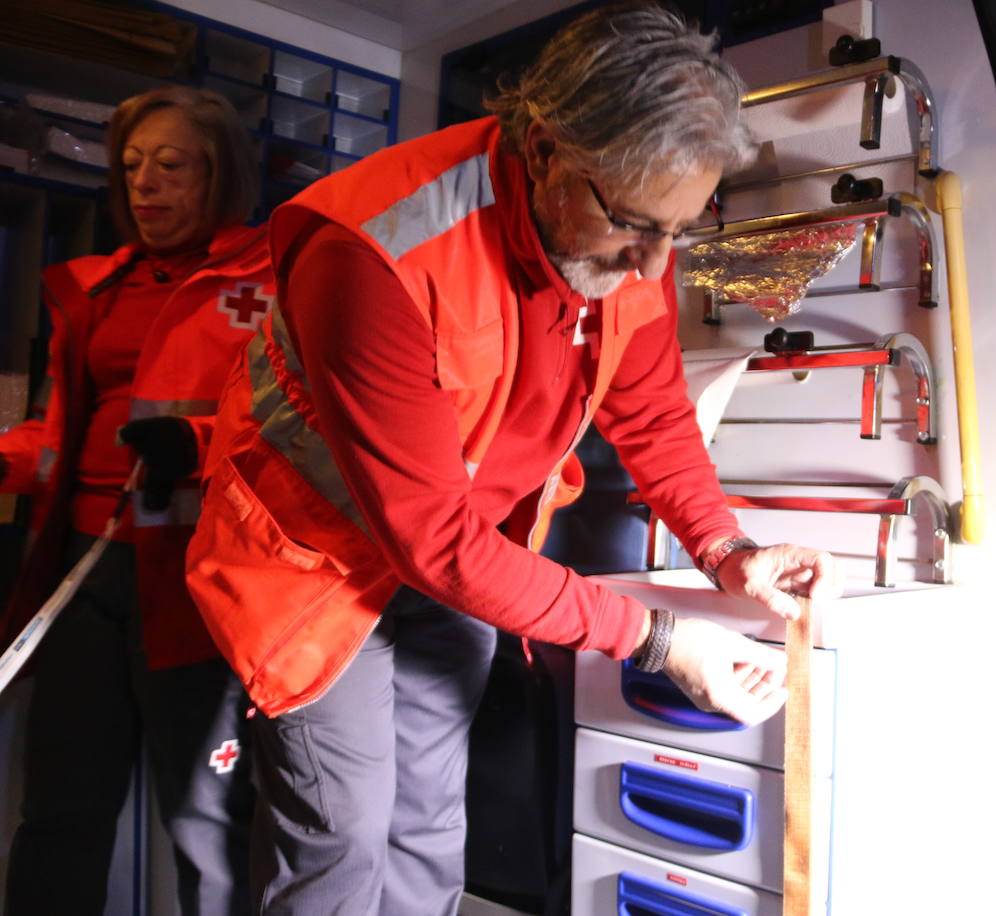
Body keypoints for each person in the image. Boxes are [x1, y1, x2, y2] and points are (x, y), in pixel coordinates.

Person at [183, 4, 838, 913]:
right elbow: (430, 536)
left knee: (426, 826)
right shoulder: (373, 251)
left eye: (678, 234)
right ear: (543, 151)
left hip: (463, 561)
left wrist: (725, 548)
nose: (654, 269)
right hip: (317, 569)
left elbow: (650, 413)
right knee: (341, 835)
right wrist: (655, 639)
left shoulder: (632, 230)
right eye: (635, 227)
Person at [0, 87, 267, 915]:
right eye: (132, 167)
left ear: (218, 174)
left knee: (207, 822)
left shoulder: (273, 280)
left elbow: (295, 431)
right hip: (83, 581)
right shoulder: (98, 288)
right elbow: (57, 431)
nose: (146, 185)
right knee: (59, 810)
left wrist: (197, 450)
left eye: (172, 165)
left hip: (197, 590)